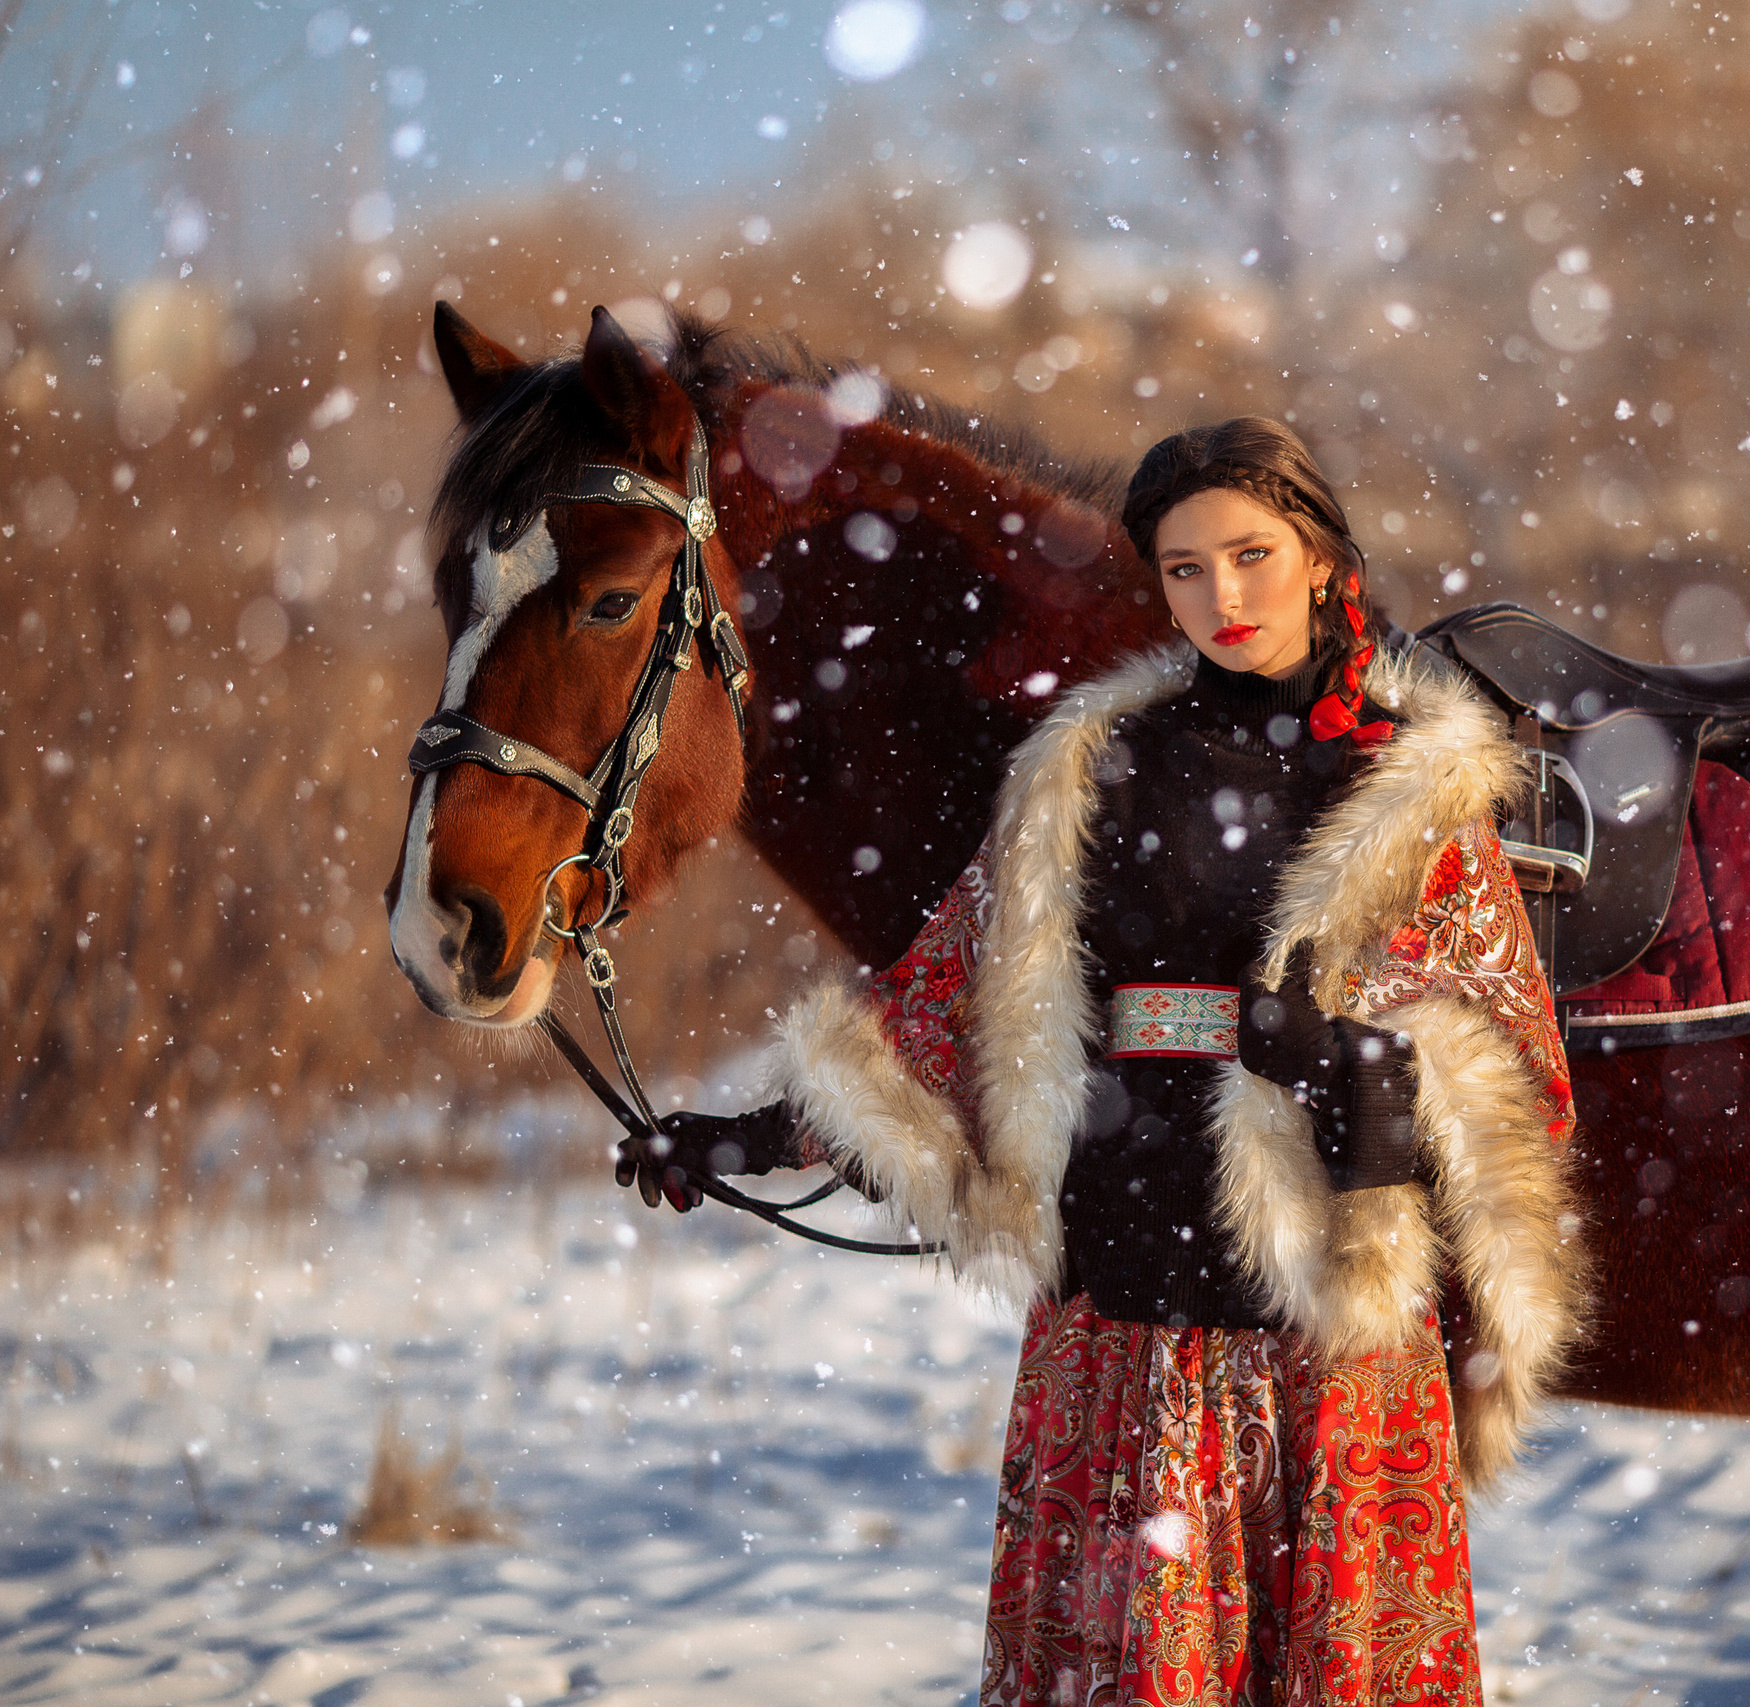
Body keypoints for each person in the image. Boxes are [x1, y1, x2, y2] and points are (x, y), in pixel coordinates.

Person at [623, 417, 1585, 1704]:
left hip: (1327, 1352)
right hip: (1121, 1326)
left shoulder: (1414, 787)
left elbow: (1518, 1082)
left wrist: (1342, 1062)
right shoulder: (1089, 766)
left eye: (1250, 555)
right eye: (1185, 569)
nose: (1222, 596)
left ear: (1319, 558)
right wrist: (742, 1139)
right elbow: (945, 1007)